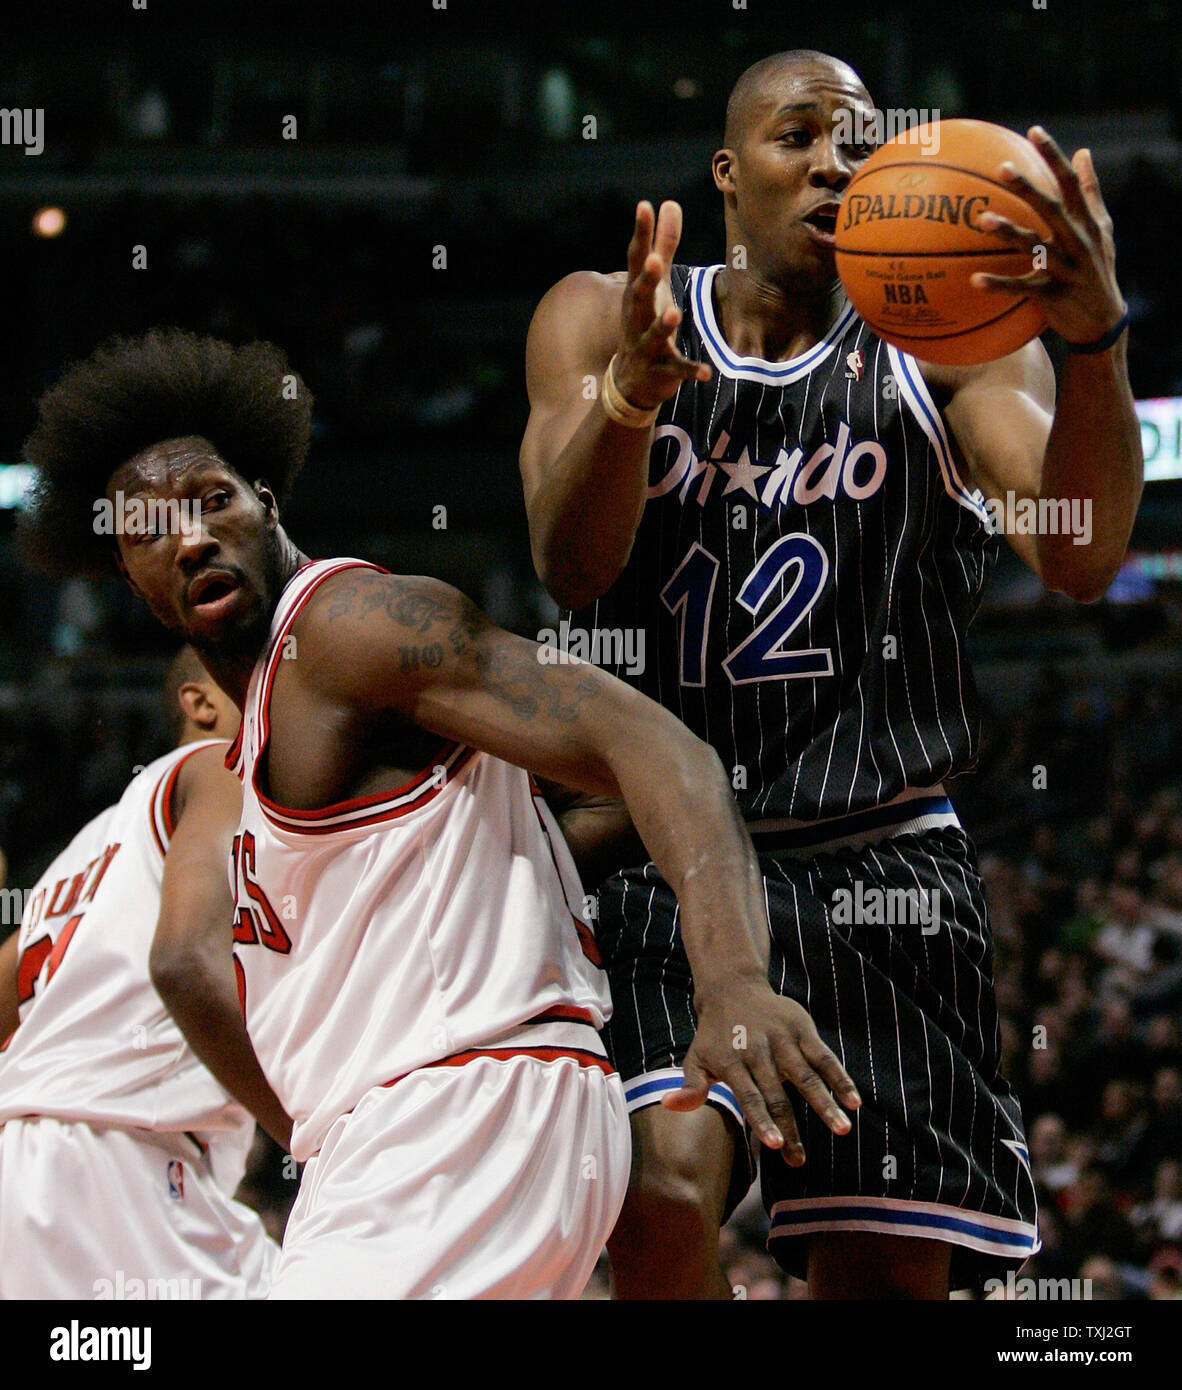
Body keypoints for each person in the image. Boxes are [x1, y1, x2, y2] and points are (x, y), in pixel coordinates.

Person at [20, 328, 859, 1300]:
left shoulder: (348, 626)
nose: (192, 534)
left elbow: (651, 744)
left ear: (268, 504)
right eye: (149, 526)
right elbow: (553, 829)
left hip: (466, 1109)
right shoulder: (259, 747)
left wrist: (733, 983)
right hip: (385, 1143)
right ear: (131, 576)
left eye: (214, 499)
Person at [519, 49, 1142, 1297]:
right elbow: (571, 567)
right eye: (797, 135)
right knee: (659, 1191)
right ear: (726, 170)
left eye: (857, 140)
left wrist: (1094, 346)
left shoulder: (947, 337)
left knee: (882, 1277)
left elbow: (1075, 556)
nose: (832, 162)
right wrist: (632, 402)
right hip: (668, 855)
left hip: (882, 858)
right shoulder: (602, 313)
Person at [0, 646, 286, 1299]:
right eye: (274, 685)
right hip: (120, 1164)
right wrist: (308, 1134)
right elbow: (183, 964)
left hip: (29, 1160)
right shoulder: (219, 767)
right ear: (204, 702)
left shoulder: (85, 847)